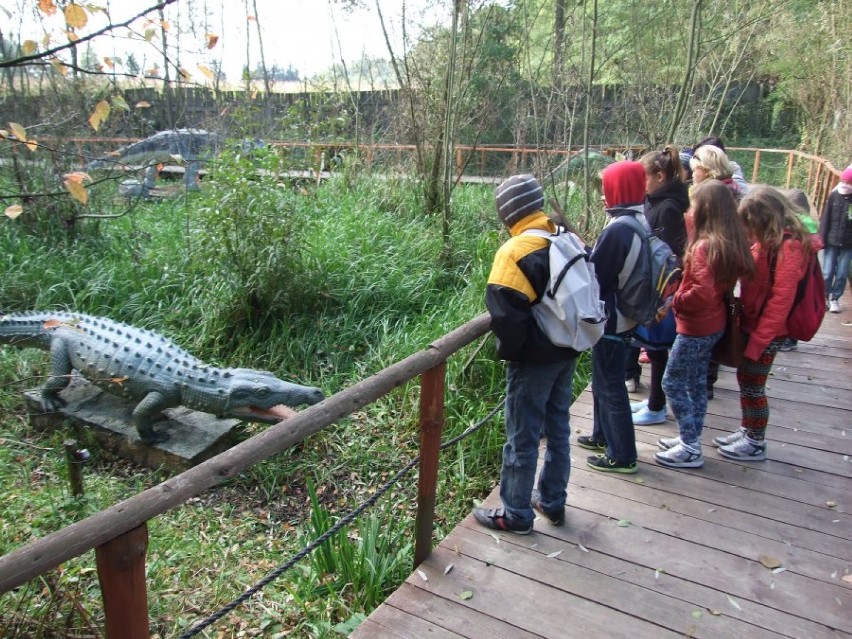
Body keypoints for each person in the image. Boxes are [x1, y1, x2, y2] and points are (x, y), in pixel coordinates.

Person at [472, 174, 579, 534]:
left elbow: (506, 317)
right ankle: (552, 500)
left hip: (535, 358)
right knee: (558, 427)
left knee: (522, 436)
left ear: (507, 213)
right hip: (569, 346)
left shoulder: (514, 252)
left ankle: (516, 512)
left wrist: (513, 355)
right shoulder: (563, 235)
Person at [655, 180, 755, 468]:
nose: (689, 210)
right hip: (713, 324)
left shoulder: (703, 247)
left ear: (705, 210)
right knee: (696, 383)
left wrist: (676, 300)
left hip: (696, 326)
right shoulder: (726, 242)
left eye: (693, 205)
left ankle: (689, 446)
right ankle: (691, 437)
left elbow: (702, 292)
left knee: (671, 382)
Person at [712, 185, 812, 461]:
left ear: (765, 220)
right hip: (753, 323)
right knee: (746, 380)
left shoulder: (789, 248)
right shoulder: (766, 243)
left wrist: (760, 340)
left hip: (768, 331)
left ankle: (756, 441)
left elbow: (781, 301)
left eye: (751, 225)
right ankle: (748, 429)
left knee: (754, 383)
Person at [577, 160, 648, 474]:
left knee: (609, 385)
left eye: (607, 187)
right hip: (626, 315)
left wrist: (583, 254)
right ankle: (601, 434)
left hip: (613, 318)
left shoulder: (619, 228)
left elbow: (599, 275)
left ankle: (622, 455)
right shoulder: (636, 220)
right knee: (604, 379)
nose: (603, 193)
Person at [627, 146, 690, 425]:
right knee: (653, 347)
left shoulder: (669, 208)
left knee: (659, 346)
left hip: (663, 287)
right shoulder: (655, 201)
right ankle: (654, 400)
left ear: (660, 176)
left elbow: (671, 253)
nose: (642, 185)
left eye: (645, 178)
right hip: (654, 284)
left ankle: (657, 407)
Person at [820, 166, 852, 313]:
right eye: (844, 181)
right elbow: (826, 218)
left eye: (848, 182)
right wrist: (821, 238)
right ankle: (825, 297)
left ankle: (835, 299)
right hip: (831, 239)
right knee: (827, 271)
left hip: (848, 242)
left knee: (842, 273)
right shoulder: (834, 195)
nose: (845, 184)